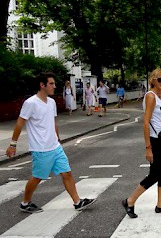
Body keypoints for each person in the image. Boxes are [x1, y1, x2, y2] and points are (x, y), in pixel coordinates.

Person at [6, 72, 96, 213]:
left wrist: (58, 139)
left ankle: (77, 202)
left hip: (55, 146)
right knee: (37, 177)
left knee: (67, 173)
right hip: (41, 148)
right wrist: (13, 144)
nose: (55, 86)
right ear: (42, 85)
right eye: (51, 84)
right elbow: (19, 123)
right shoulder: (31, 103)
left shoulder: (51, 102)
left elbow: (53, 122)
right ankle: (25, 203)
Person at [122, 68, 161, 218]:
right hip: (155, 141)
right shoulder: (151, 96)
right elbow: (145, 123)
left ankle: (160, 205)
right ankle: (130, 201)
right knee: (155, 174)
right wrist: (148, 148)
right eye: (160, 79)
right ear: (153, 80)